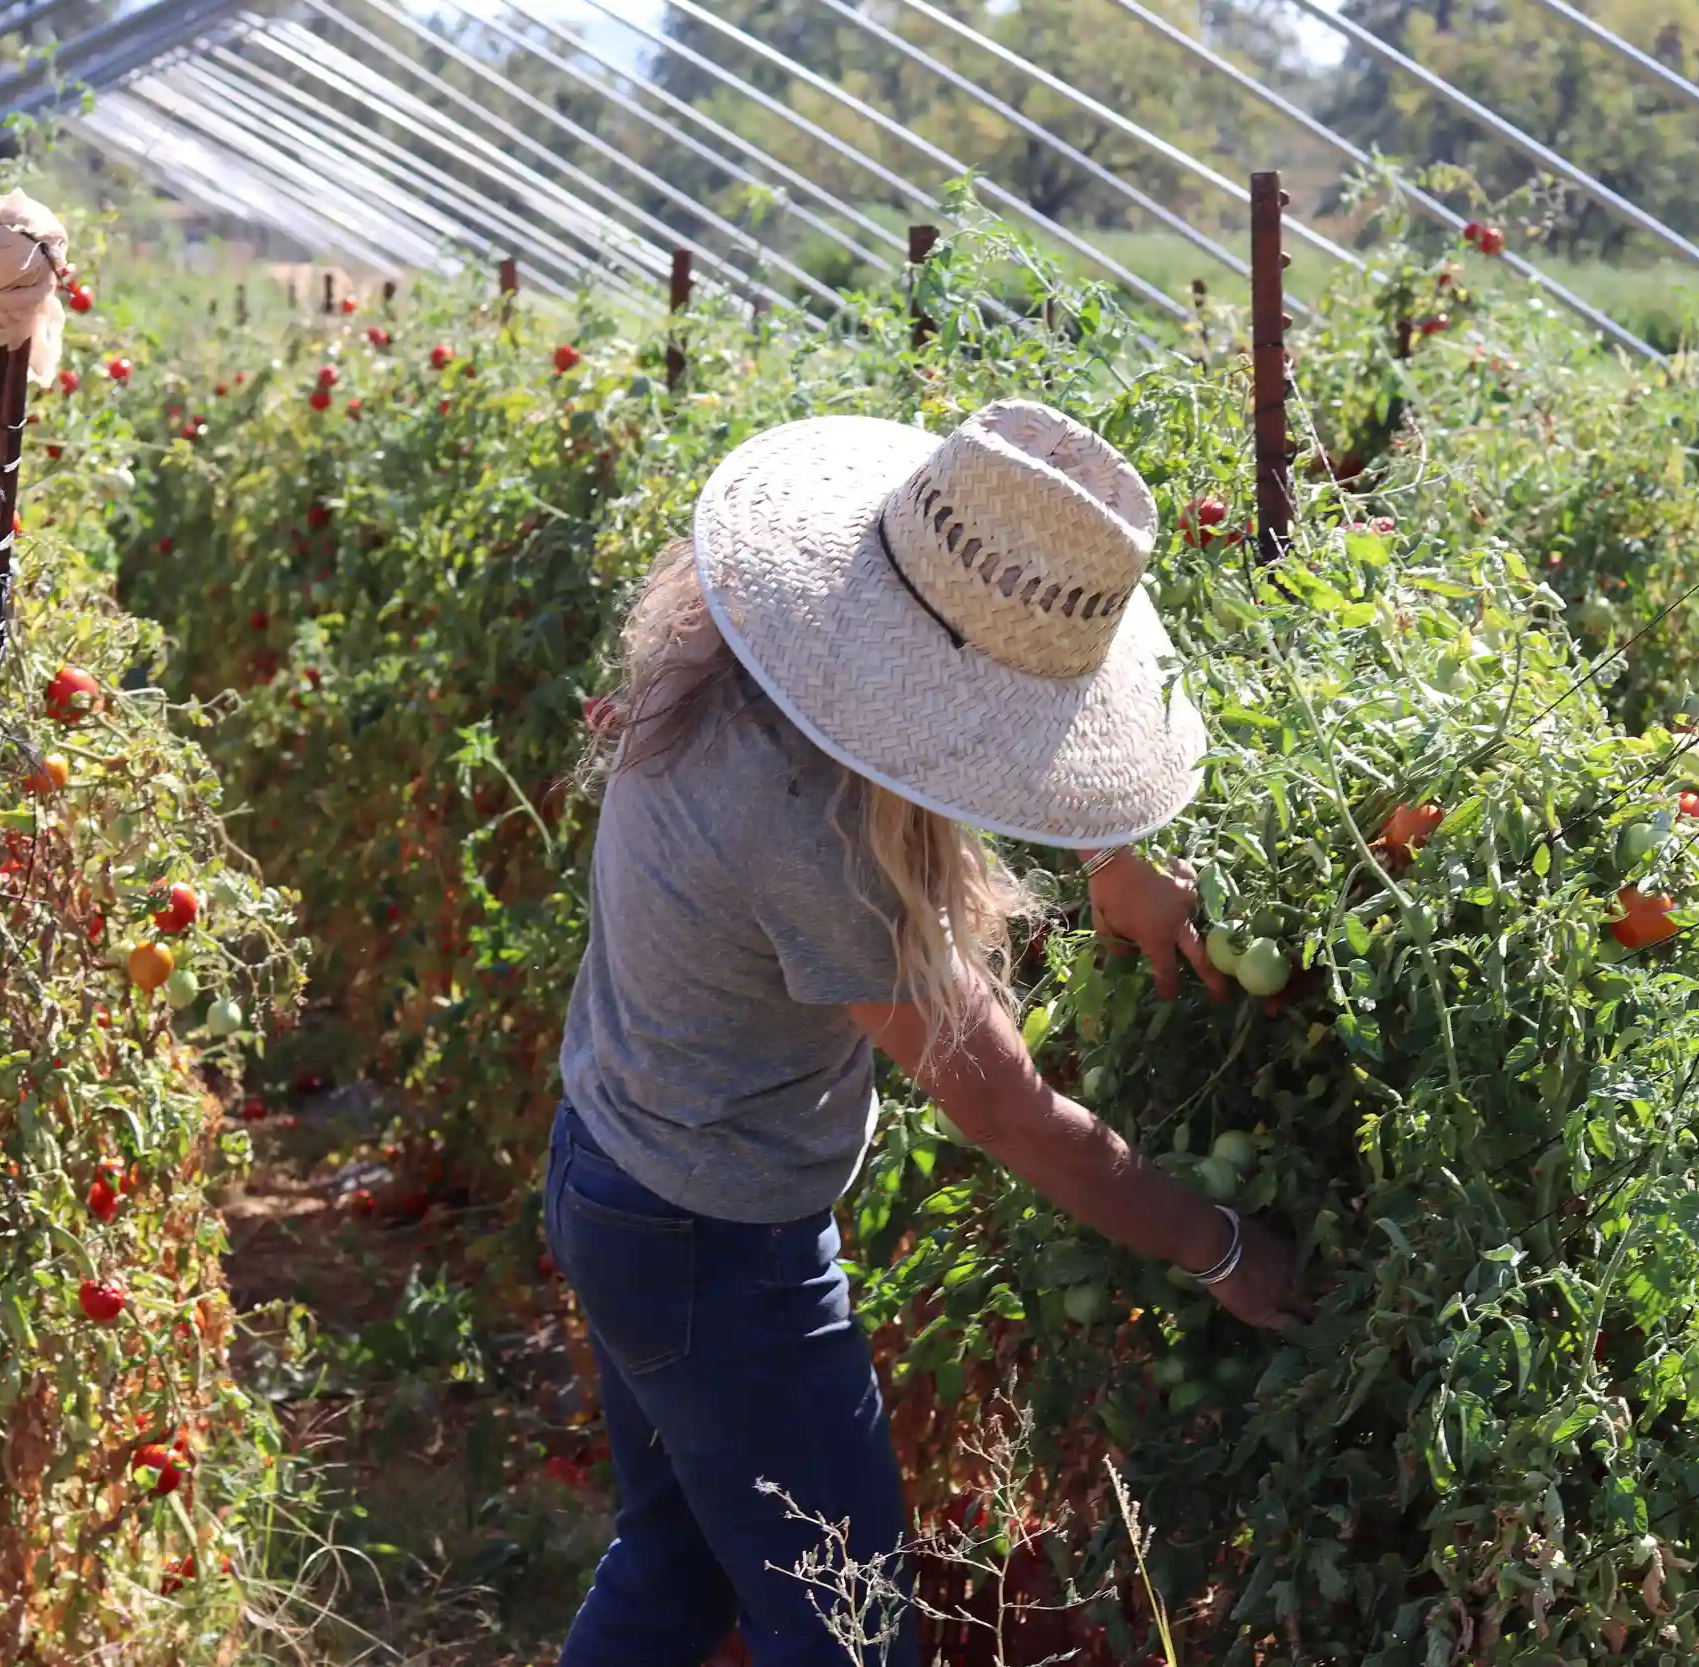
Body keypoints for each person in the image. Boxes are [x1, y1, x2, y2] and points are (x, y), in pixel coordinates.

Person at [546, 398, 1306, 1667]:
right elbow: (1005, 1108)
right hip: (713, 1247)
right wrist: (1218, 1240)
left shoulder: (733, 666)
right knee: (851, 1632)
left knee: (679, 1567)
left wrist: (1104, 848)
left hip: (617, 1172)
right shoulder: (817, 837)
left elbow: (926, 727)